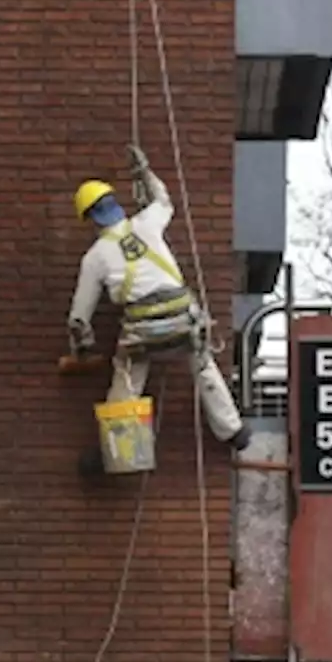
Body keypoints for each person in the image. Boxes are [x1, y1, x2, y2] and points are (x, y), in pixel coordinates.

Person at [67, 149, 252, 475]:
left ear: (91, 219)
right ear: (116, 205)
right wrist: (145, 172)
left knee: (126, 380)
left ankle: (118, 452)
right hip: (183, 321)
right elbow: (164, 200)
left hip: (142, 333)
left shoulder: (95, 257)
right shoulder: (147, 221)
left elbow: (80, 317)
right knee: (203, 364)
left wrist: (82, 345)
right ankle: (233, 431)